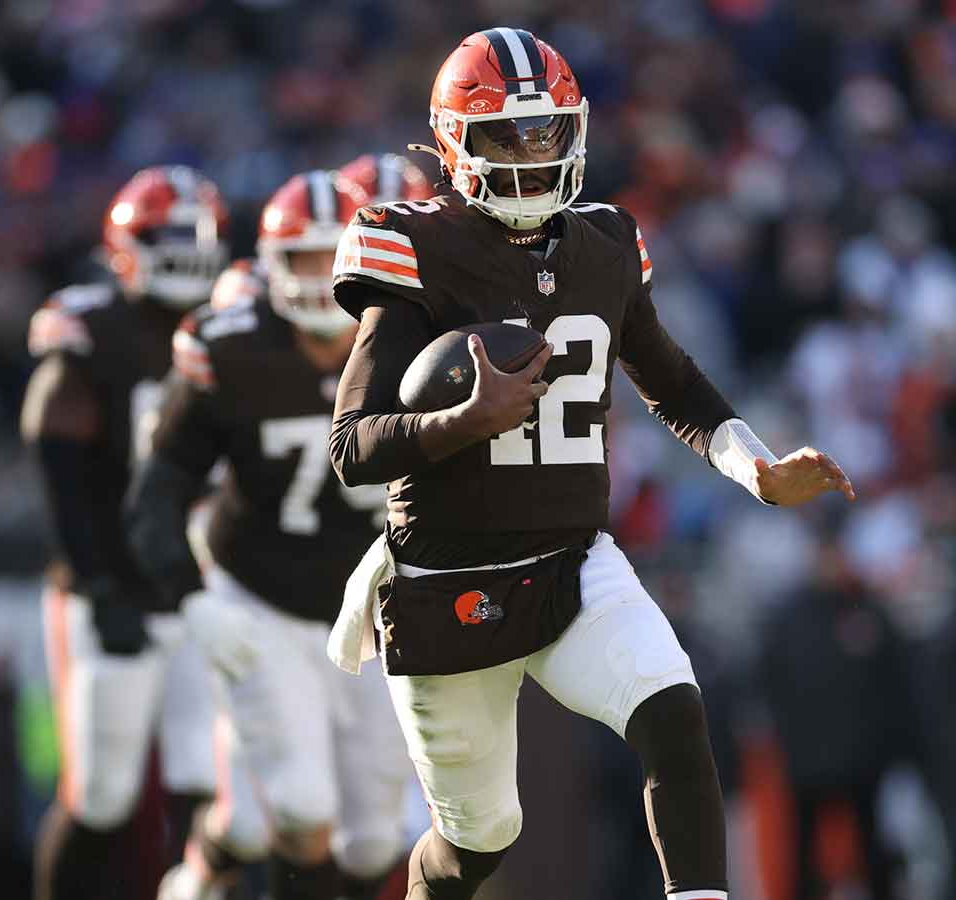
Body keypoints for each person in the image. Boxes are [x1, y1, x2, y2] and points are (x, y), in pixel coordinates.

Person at [325, 27, 855, 900]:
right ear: (456, 142)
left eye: (548, 132)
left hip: (574, 559)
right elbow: (353, 446)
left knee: (673, 712)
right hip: (444, 575)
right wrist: (468, 418)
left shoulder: (604, 242)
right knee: (480, 839)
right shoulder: (411, 241)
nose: (534, 156)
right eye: (508, 136)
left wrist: (756, 471)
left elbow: (674, 385)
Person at [128, 169, 413, 900]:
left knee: (377, 836)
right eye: (304, 260)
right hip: (260, 593)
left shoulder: (416, 335)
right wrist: (193, 599)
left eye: (334, 256)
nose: (322, 280)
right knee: (300, 807)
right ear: (270, 265)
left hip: (372, 611)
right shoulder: (232, 347)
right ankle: (207, 866)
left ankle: (209, 867)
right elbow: (159, 490)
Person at [22, 166, 230, 900]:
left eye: (196, 236)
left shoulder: (232, 324)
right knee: (102, 795)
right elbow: (56, 452)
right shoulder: (94, 328)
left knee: (212, 786)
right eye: (167, 236)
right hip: (105, 590)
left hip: (196, 590)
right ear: (123, 246)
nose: (184, 252)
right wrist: (100, 583)